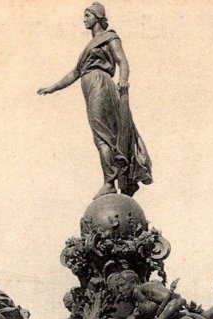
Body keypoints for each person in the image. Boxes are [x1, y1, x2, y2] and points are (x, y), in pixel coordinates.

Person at [38, 2, 152, 199]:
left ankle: (109, 182)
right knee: (101, 136)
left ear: (98, 17)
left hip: (101, 85)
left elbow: (123, 61)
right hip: (90, 87)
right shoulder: (89, 46)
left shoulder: (109, 37)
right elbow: (75, 72)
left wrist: (123, 81)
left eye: (87, 15)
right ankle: (111, 180)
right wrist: (53, 87)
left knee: (102, 136)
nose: (84, 19)